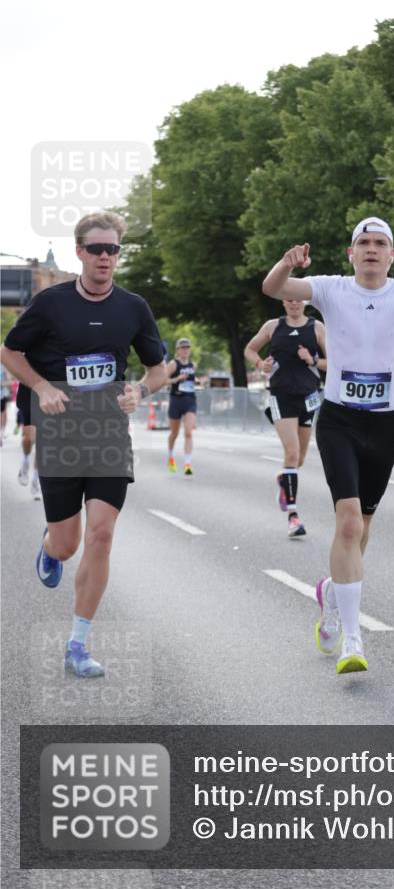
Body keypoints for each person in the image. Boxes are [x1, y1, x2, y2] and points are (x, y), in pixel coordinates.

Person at [262, 217, 394, 674]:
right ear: (351, 253)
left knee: (362, 526)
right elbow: (271, 287)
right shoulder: (330, 288)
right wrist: (286, 264)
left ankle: (333, 597)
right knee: (346, 524)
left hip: (385, 425)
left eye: (381, 243)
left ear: (392, 254)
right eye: (364, 243)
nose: (372, 249)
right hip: (339, 419)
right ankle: (352, 638)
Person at [0, 211, 167, 678]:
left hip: (109, 433)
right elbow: (9, 352)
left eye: (112, 249)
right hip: (59, 434)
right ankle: (50, 546)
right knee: (69, 544)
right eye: (96, 249)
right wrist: (41, 387)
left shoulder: (134, 307)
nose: (105, 257)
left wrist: (141, 390)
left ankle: (77, 644)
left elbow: (158, 368)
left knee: (101, 535)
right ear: (79, 252)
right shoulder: (50, 303)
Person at [244, 300, 326, 538]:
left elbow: (334, 363)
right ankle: (293, 516)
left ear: (304, 302)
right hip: (281, 396)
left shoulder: (317, 328)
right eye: (289, 299)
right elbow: (249, 349)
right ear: (284, 301)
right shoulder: (272, 326)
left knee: (299, 458)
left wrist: (312, 360)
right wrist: (261, 363)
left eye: (298, 299)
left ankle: (283, 478)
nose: (294, 303)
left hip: (309, 396)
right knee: (291, 454)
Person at [166, 337, 197, 475]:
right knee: (174, 433)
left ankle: (187, 463)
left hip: (190, 400)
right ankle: (171, 456)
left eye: (187, 348)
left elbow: (191, 382)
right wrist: (177, 379)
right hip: (176, 400)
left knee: (189, 432)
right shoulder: (173, 364)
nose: (185, 350)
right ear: (177, 350)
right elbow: (162, 380)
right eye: (182, 348)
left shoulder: (193, 365)